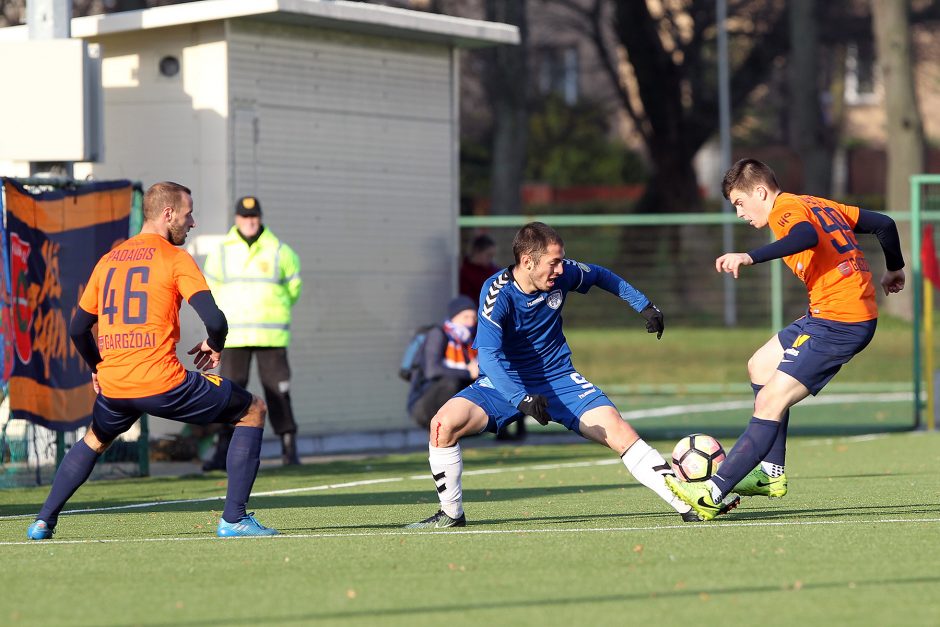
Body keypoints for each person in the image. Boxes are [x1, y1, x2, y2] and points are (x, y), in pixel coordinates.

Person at [407, 221, 740, 528]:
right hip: (503, 383)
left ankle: (689, 504)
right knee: (442, 425)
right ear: (527, 261)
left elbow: (600, 276)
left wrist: (645, 305)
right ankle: (451, 513)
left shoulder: (562, 275)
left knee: (618, 431)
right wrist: (520, 398)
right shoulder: (496, 293)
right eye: (553, 262)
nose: (561, 268)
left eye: (561, 260)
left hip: (560, 379)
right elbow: (489, 357)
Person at [26, 182, 277, 540]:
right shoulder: (175, 259)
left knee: (95, 439)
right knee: (253, 409)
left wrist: (97, 368)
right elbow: (216, 321)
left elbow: (78, 327)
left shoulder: (109, 260)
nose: (192, 222)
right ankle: (234, 518)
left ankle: (43, 520)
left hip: (115, 385)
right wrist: (214, 342)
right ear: (168, 214)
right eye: (188, 214)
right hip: (163, 384)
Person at [666, 158, 906, 521]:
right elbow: (884, 225)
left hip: (842, 321)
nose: (740, 214)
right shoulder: (817, 203)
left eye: (739, 203)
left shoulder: (786, 210)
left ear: (760, 192)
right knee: (760, 365)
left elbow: (805, 237)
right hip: (827, 314)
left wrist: (749, 256)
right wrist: (894, 267)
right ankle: (770, 474)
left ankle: (711, 493)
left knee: (769, 403)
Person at [201, 196, 303, 470]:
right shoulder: (221, 251)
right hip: (233, 336)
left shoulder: (280, 250)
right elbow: (207, 292)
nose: (250, 221)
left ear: (260, 217)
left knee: (278, 391)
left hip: (271, 336)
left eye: (254, 216)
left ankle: (289, 449)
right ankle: (222, 450)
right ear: (236, 218)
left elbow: (294, 289)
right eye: (245, 217)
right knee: (228, 393)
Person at [407, 295, 480, 428]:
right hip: (423, 402)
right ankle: (442, 429)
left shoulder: (467, 343)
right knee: (451, 382)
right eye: (466, 317)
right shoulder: (438, 334)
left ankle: (508, 435)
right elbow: (432, 371)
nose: (471, 323)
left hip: (448, 399)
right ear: (454, 316)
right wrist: (468, 372)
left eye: (473, 318)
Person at [459, 233, 499, 303]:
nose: (491, 259)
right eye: (488, 255)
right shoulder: (464, 273)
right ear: (477, 251)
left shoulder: (494, 271)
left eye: (492, 256)